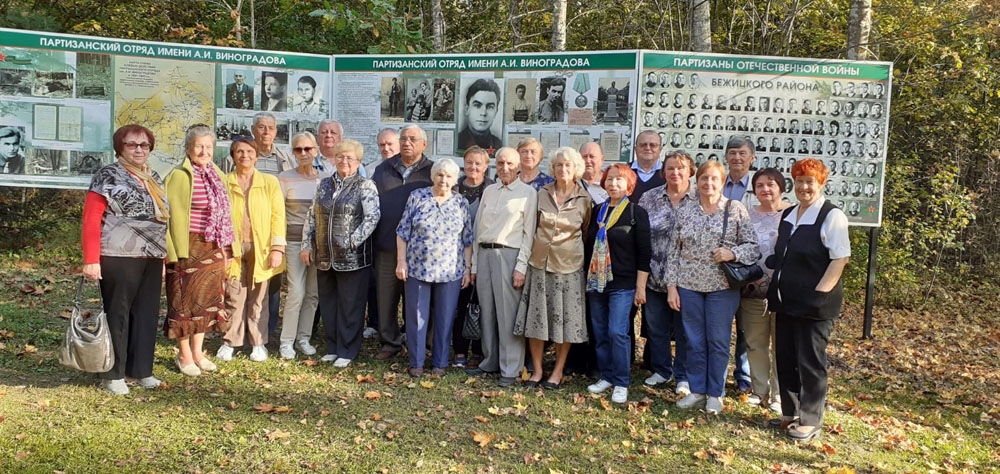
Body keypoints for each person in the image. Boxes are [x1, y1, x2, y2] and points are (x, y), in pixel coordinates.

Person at [667, 160, 760, 415]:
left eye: (714, 179)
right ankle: (697, 390)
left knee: (717, 340)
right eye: (704, 179)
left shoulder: (735, 209)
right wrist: (672, 287)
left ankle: (715, 393)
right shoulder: (685, 211)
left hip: (722, 288)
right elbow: (673, 251)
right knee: (694, 341)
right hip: (688, 285)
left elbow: (753, 247)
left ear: (722, 182)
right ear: (697, 183)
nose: (708, 184)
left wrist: (732, 252)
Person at [767, 158, 850, 440]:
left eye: (810, 182)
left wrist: (819, 296)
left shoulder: (831, 216)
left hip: (814, 307)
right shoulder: (789, 214)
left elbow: (840, 259)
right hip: (786, 303)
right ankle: (789, 413)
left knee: (810, 363)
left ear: (821, 183)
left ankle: (811, 419)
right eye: (800, 181)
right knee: (786, 358)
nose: (804, 187)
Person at [81, 124, 168, 394]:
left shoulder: (152, 176)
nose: (139, 149)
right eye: (132, 144)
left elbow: (159, 220)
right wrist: (91, 259)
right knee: (118, 314)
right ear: (120, 147)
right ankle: (113, 374)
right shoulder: (108, 175)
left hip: (151, 256)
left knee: (146, 314)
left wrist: (162, 259)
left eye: (144, 145)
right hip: (118, 254)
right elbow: (92, 217)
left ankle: (141, 370)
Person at [515, 147, 592, 389]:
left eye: (568, 165)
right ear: (553, 168)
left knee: (564, 323)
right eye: (559, 165)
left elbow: (586, 232)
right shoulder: (541, 193)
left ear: (576, 169)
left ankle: (557, 371)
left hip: (568, 269)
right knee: (537, 321)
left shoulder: (584, 199)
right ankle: (537, 370)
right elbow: (533, 226)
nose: (563, 169)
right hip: (539, 265)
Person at [164, 124, 235, 377]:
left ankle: (198, 352)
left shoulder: (217, 173)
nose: (204, 151)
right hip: (187, 246)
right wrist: (171, 253)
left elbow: (227, 216)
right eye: (199, 146)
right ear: (188, 149)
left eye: (208, 146)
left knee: (206, 300)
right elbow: (168, 217)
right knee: (184, 302)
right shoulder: (179, 176)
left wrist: (226, 249)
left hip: (212, 245)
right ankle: (183, 355)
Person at [303, 139, 380, 367]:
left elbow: (372, 217)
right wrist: (307, 244)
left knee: (351, 305)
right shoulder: (324, 184)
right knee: (328, 303)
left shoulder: (365, 185)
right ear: (334, 159)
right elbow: (311, 215)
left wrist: (352, 242)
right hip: (325, 256)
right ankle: (333, 346)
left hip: (352, 258)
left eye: (350, 158)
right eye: (340, 156)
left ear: (358, 162)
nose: (344, 161)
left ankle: (348, 350)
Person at [396, 158, 474, 377]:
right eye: (440, 175)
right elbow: (402, 233)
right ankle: (416, 362)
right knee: (416, 317)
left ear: (454, 179)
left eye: (449, 176)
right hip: (418, 269)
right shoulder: (417, 197)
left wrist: (467, 269)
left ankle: (440, 362)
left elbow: (467, 239)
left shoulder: (460, 203)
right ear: (433, 176)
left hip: (450, 271)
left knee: (445, 317)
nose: (444, 180)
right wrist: (401, 262)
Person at [468, 147, 538, 386]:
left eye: (509, 164)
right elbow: (478, 229)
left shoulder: (528, 193)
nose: (504, 168)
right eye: (500, 163)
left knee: (508, 315)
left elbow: (529, 234)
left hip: (509, 255)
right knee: (487, 311)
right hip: (485, 255)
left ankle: (510, 368)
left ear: (518, 166)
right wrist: (475, 265)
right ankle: (490, 361)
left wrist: (521, 267)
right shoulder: (489, 190)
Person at [584, 164, 651, 404]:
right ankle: (607, 375)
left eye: (619, 180)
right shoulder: (597, 210)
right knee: (600, 332)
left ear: (629, 186)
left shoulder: (636, 213)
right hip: (596, 282)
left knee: (617, 332)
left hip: (623, 283)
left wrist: (641, 287)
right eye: (610, 179)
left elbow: (645, 253)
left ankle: (622, 381)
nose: (613, 184)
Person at [218, 139, 286, 362]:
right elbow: (219, 217)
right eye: (239, 151)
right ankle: (231, 342)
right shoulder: (224, 182)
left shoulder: (269, 182)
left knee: (259, 298)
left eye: (249, 151)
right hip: (233, 248)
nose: (244, 155)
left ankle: (258, 342)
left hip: (263, 248)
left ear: (256, 156)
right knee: (234, 295)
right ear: (233, 156)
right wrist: (223, 249)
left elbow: (278, 216)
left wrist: (277, 248)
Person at [371, 125, 434, 361]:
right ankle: (390, 342)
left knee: (418, 300)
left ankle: (420, 343)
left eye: (413, 139)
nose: (407, 142)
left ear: (423, 144)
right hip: (386, 244)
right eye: (403, 139)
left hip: (421, 250)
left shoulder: (432, 171)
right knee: (386, 297)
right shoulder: (383, 169)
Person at [638, 151, 697, 395]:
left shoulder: (700, 199)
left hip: (687, 279)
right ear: (664, 171)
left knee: (684, 329)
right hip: (653, 276)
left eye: (680, 168)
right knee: (655, 326)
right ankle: (662, 370)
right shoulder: (649, 197)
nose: (675, 172)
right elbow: (640, 236)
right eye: (670, 168)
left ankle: (683, 374)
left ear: (690, 171)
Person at [738, 168, 790, 414]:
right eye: (760, 185)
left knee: (782, 344)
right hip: (752, 291)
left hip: (784, 292)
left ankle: (780, 395)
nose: (765, 189)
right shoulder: (746, 215)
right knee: (755, 342)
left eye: (770, 184)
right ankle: (760, 391)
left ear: (781, 187)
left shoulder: (793, 214)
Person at [276, 132, 329, 360]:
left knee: (312, 293)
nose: (304, 153)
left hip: (318, 245)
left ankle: (303, 338)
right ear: (293, 152)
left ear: (316, 150)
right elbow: (277, 214)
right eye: (299, 149)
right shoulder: (284, 178)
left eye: (308, 149)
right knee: (296, 292)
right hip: (294, 242)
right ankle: (286, 341)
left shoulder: (326, 178)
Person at [451, 147, 493, 368]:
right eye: (469, 163)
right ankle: (459, 350)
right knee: (461, 303)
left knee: (481, 305)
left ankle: (478, 350)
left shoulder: (493, 190)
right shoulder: (453, 188)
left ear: (486, 166)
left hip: (484, 256)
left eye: (478, 163)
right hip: (455, 257)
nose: (473, 167)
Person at [457, 78, 502, 151]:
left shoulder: (499, 145)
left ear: (496, 111)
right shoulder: (457, 141)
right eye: (477, 106)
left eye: (490, 107)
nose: (483, 113)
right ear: (467, 109)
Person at [631, 131, 666, 202]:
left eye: (653, 145)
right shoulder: (624, 172)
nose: (647, 148)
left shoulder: (669, 172)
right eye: (643, 145)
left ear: (660, 149)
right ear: (635, 149)